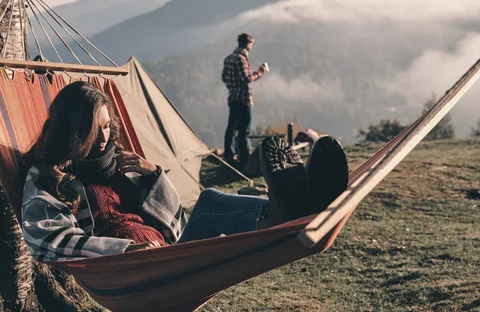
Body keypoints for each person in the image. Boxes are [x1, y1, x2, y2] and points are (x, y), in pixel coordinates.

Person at [20, 81, 348, 261]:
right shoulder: (49, 177)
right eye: (95, 130)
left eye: (108, 126)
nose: (105, 138)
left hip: (170, 252)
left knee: (207, 201)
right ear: (74, 132)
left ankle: (295, 206)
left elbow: (174, 217)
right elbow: (46, 239)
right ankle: (288, 206)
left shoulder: (119, 161)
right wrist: (124, 250)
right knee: (209, 204)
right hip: (135, 269)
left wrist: (153, 176)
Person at [222, 33, 267, 171]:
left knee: (231, 129)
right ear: (248, 44)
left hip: (233, 98)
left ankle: (229, 155)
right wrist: (260, 72)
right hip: (243, 99)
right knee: (244, 131)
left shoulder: (228, 58)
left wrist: (232, 86)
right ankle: (244, 160)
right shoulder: (241, 59)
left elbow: (224, 77)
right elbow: (246, 79)